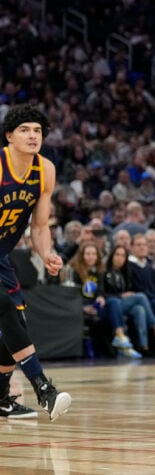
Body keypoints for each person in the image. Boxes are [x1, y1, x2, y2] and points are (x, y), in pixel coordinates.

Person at [0, 105, 72, 420]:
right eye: (25, 130)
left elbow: (40, 227)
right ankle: (44, 389)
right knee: (4, 308)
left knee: (16, 322)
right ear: (9, 136)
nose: (33, 136)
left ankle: (1, 399)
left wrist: (46, 254)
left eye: (38, 131)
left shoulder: (45, 170)